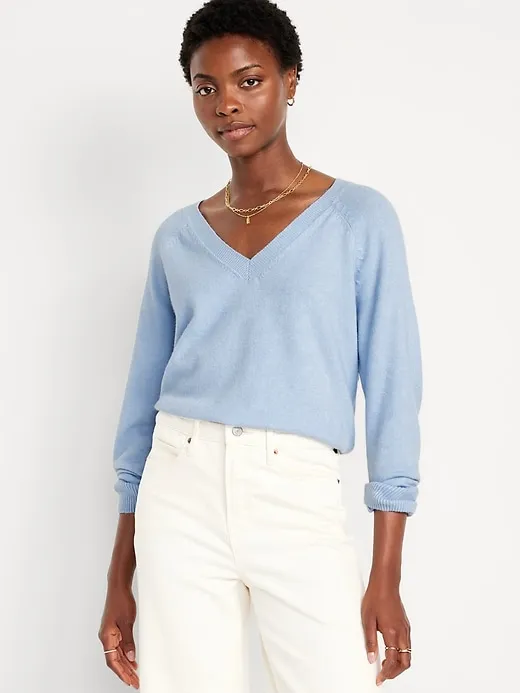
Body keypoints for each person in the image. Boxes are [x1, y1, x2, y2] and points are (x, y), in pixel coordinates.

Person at [98, 0, 423, 691]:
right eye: (205, 87)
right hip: (178, 490)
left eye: (249, 81)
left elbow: (394, 392)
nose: (225, 103)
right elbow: (140, 404)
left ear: (290, 81)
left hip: (297, 492)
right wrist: (120, 574)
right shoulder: (177, 238)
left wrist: (386, 574)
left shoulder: (358, 219)